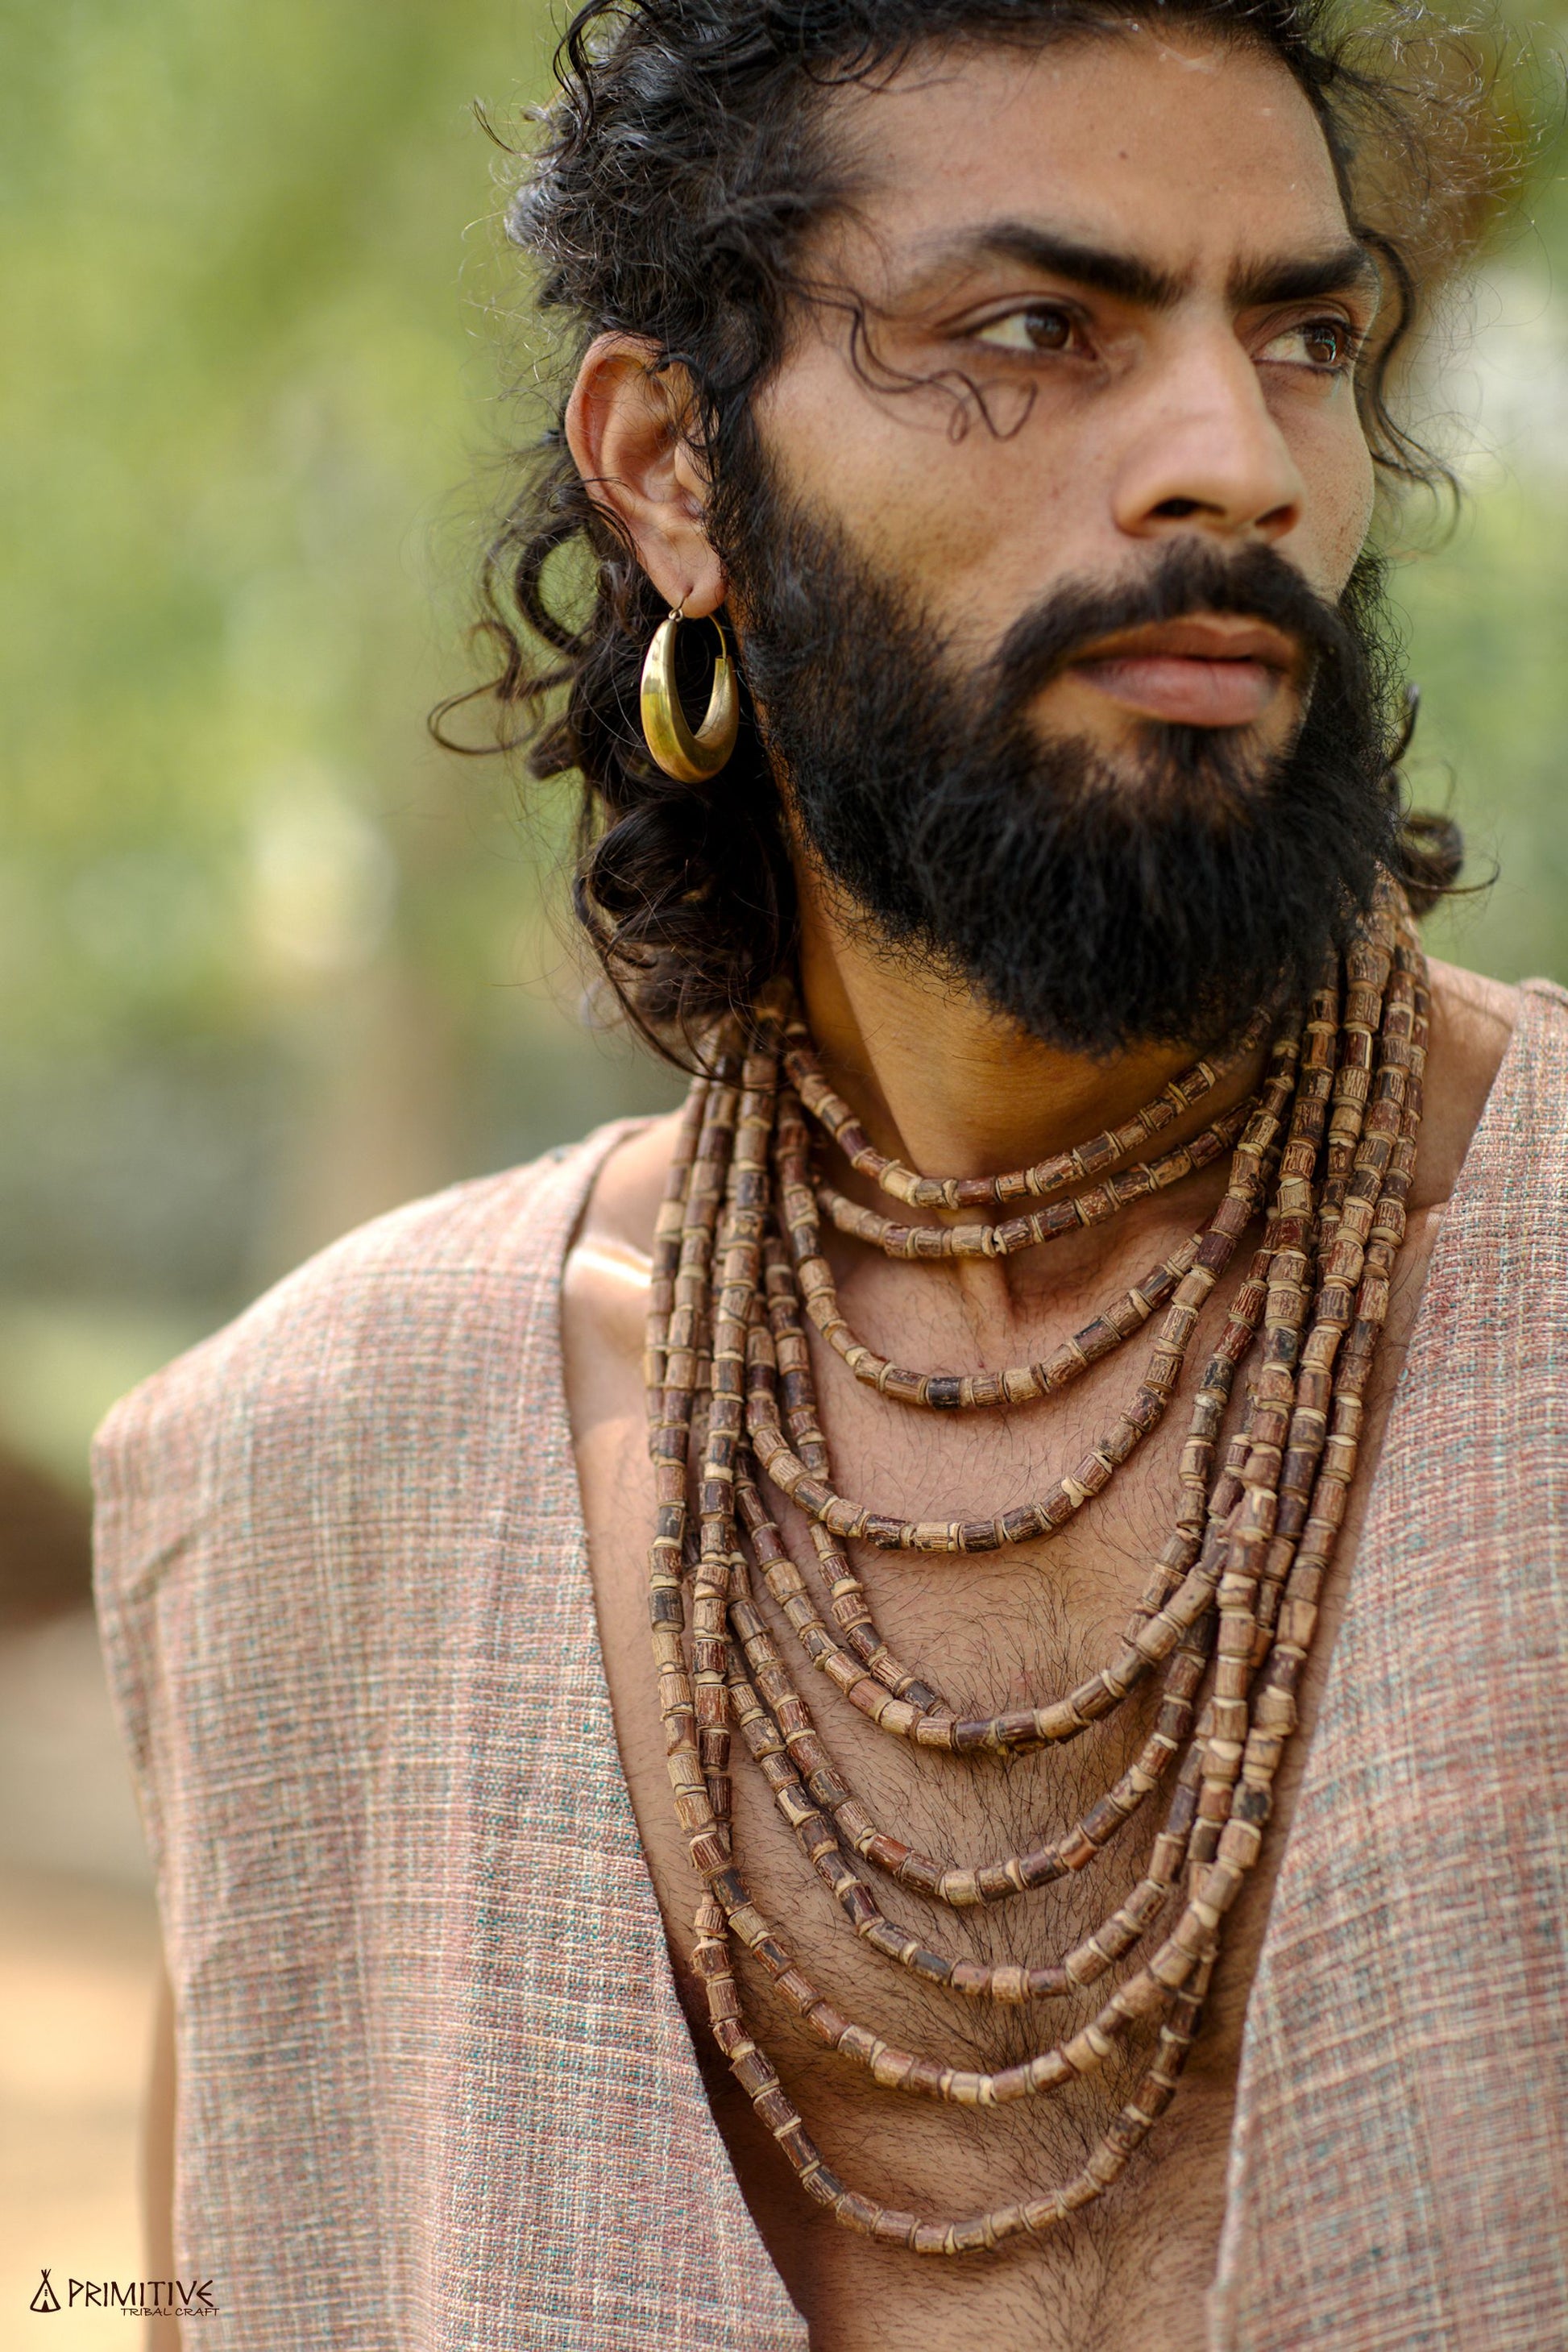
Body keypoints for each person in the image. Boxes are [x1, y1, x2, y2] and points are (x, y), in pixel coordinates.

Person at [94, 2, 1567, 2347]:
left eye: (1300, 335)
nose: (1234, 462)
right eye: (1032, 331)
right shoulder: (305, 1470)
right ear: (673, 466)